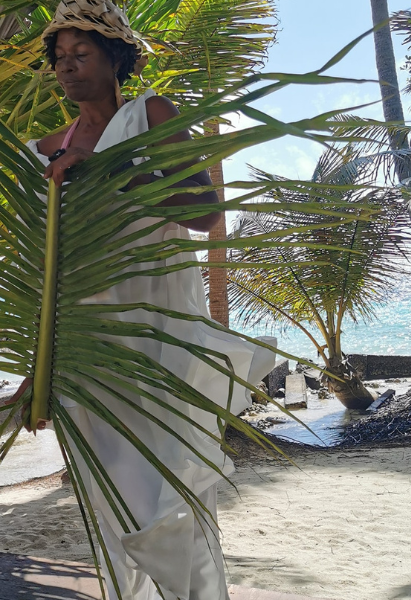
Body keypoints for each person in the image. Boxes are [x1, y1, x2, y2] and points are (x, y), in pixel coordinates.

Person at [14, 2, 276, 598]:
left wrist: (109, 173)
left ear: (115, 57)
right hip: (89, 347)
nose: (68, 67)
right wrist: (38, 372)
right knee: (111, 503)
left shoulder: (151, 114)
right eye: (59, 58)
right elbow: (46, 270)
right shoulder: (45, 151)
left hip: (159, 337)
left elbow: (206, 213)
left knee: (174, 492)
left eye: (82, 54)